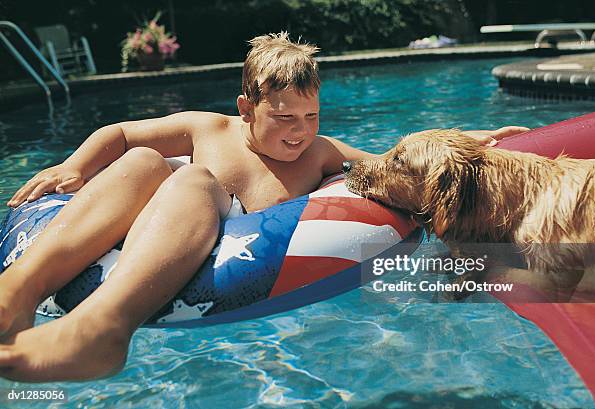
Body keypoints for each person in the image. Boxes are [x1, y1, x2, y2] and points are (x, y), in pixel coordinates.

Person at [0, 32, 527, 382]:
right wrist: (74, 166)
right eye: (283, 117)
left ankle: (102, 329)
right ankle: (17, 292)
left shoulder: (320, 155)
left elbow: (396, 165)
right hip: (144, 229)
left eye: (311, 116)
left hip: (220, 247)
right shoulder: (208, 128)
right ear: (246, 109)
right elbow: (116, 132)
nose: (299, 132)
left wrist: (471, 140)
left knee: (194, 183)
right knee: (143, 159)